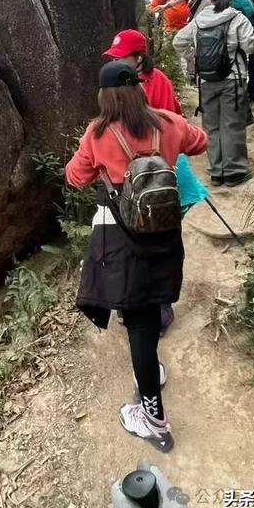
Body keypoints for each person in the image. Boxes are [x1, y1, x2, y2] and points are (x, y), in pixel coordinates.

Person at [66, 61, 207, 450]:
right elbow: (201, 142)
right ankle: (151, 374)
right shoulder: (168, 123)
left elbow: (75, 176)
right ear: (139, 90)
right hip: (165, 235)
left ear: (104, 96)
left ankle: (154, 421)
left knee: (140, 326)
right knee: (152, 307)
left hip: (125, 241)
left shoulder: (97, 134)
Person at [102, 29, 181, 334]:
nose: (116, 59)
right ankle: (139, 304)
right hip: (133, 177)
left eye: (121, 55)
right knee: (139, 242)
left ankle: (158, 305)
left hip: (158, 172)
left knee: (156, 237)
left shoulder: (157, 80)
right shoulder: (117, 80)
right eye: (114, 56)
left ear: (138, 56)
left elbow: (174, 115)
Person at [173, 0, 254, 186]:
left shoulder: (198, 20)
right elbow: (250, 46)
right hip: (232, 78)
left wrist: (194, 58)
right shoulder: (238, 18)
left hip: (206, 80)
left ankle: (216, 171)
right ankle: (234, 171)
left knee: (211, 126)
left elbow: (178, 41)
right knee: (232, 123)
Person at [102, 29, 181, 115]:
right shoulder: (113, 79)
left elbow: (168, 119)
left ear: (139, 57)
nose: (115, 62)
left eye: (120, 58)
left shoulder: (158, 80)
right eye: (113, 58)